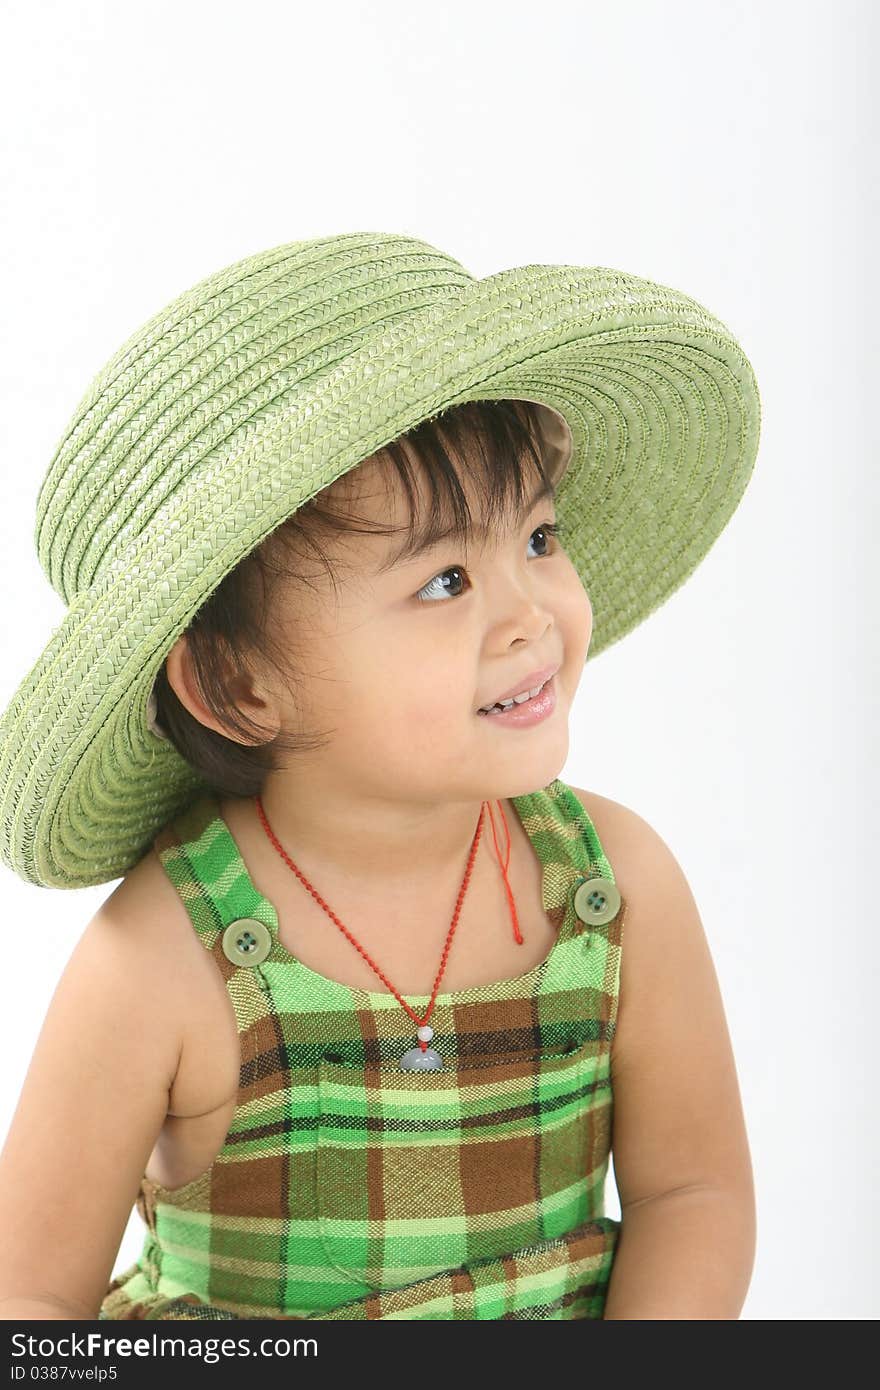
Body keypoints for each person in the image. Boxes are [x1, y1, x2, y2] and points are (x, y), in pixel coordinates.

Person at [0, 231, 760, 1320]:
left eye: (539, 536)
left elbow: (695, 1191)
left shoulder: (614, 888)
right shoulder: (162, 960)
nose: (530, 614)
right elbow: (30, 1308)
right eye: (445, 578)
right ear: (239, 684)